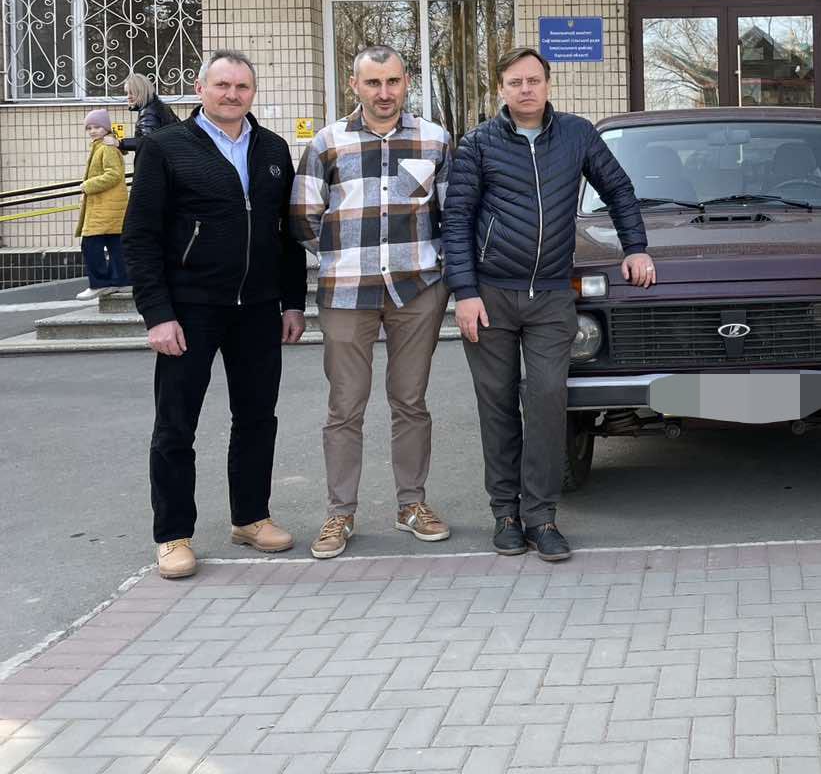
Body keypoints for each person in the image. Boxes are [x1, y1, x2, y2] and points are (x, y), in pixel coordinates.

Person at [443, 47, 655, 561]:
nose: (526, 90)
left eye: (534, 80)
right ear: (500, 89)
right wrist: (465, 293)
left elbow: (620, 190)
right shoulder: (478, 145)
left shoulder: (579, 135)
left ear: (548, 84)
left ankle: (542, 517)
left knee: (544, 403)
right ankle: (505, 515)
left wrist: (637, 248)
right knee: (496, 406)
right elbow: (455, 221)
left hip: (551, 297)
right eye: (515, 82)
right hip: (491, 295)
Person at [123, 50, 307, 580]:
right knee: (176, 425)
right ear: (201, 88)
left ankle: (250, 517)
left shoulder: (273, 148)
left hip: (257, 310)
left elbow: (286, 235)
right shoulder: (165, 147)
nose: (232, 95)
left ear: (253, 92)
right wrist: (157, 314)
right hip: (189, 310)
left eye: (242, 87)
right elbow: (141, 236)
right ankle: (173, 535)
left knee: (256, 418)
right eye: (222, 85)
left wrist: (292, 301)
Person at [291, 47, 453, 560]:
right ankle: (340, 513)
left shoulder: (434, 139)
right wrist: (344, 257)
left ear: (408, 82)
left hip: (416, 290)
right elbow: (303, 216)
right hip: (346, 293)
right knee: (345, 407)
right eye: (373, 83)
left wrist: (435, 261)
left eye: (393, 81)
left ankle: (412, 504)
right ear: (353, 85)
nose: (384, 93)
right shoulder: (327, 143)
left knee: (411, 402)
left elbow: (453, 213)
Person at [75, 108, 129, 301]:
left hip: (105, 207)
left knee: (90, 244)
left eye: (97, 126)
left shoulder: (106, 148)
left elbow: (114, 174)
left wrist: (87, 185)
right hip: (108, 206)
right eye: (89, 127)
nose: (93, 131)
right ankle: (121, 281)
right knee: (115, 244)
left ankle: (99, 283)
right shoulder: (101, 146)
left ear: (106, 127)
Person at [120, 73, 179, 158]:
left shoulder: (149, 112)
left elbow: (148, 143)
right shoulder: (157, 107)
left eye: (132, 93)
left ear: (141, 92)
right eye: (127, 93)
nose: (128, 97)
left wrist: (121, 143)